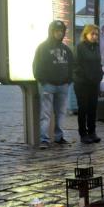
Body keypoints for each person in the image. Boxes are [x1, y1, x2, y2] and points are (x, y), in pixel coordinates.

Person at [33, 20, 74, 149]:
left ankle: (59, 137)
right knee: (45, 114)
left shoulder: (66, 49)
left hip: (63, 85)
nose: (59, 33)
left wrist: (68, 80)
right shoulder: (42, 47)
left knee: (61, 113)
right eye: (57, 31)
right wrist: (43, 80)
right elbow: (36, 66)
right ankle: (44, 139)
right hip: (48, 85)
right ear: (51, 31)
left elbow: (72, 66)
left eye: (61, 31)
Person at [74, 24, 104, 144]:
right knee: (83, 109)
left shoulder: (96, 47)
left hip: (94, 83)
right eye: (92, 34)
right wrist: (87, 77)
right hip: (82, 83)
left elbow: (98, 63)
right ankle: (83, 134)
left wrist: (100, 74)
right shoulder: (80, 47)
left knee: (93, 108)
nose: (95, 36)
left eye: (96, 34)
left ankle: (92, 132)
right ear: (85, 34)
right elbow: (76, 65)